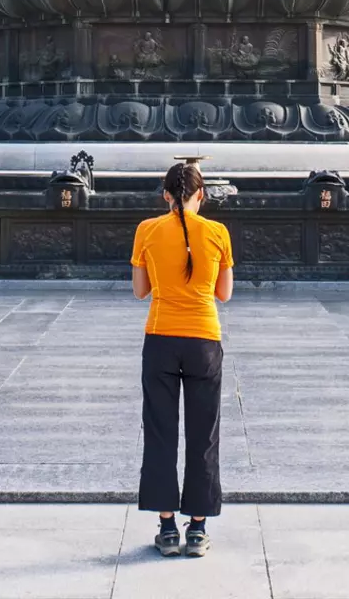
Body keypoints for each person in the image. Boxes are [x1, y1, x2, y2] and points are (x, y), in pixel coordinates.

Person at [131, 161, 234, 557]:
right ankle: (198, 528)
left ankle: (167, 528)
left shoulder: (147, 230)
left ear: (166, 196)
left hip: (160, 338)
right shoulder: (219, 232)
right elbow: (224, 293)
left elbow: (140, 290)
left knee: (160, 432)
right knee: (203, 434)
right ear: (201, 195)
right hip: (204, 341)